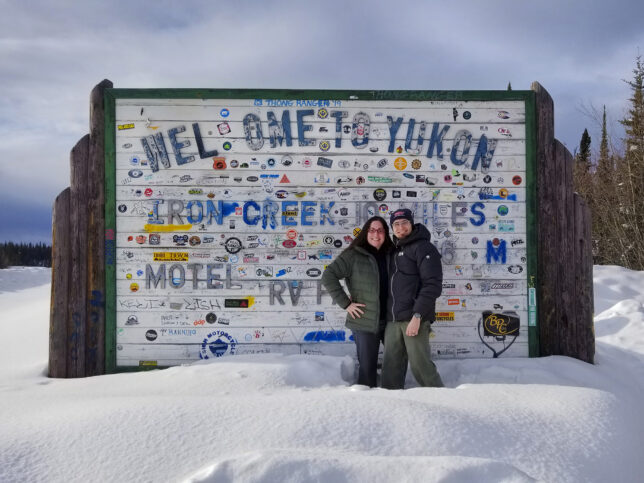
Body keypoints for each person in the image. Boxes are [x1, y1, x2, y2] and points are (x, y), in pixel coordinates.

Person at [321, 216, 394, 387]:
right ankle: (365, 403)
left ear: (386, 233)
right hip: (364, 321)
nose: (376, 234)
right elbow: (328, 275)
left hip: (391, 320)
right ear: (365, 232)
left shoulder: (392, 254)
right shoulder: (353, 255)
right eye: (372, 230)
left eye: (380, 230)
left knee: (394, 364)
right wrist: (346, 304)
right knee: (367, 367)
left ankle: (393, 402)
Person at [382, 208, 444, 389]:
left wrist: (417, 316)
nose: (400, 227)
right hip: (393, 319)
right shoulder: (394, 250)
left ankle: (443, 401)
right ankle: (390, 404)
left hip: (414, 318)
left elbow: (432, 285)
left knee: (421, 366)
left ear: (411, 224)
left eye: (404, 223)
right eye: (396, 224)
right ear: (392, 228)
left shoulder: (424, 247)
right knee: (391, 368)